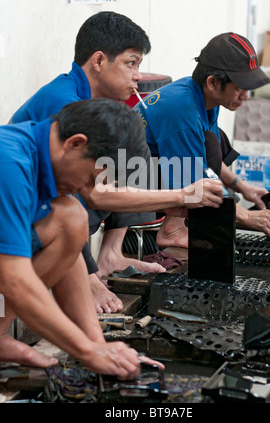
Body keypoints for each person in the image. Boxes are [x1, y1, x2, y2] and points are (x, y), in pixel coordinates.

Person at [0, 98, 223, 375]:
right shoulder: (10, 164)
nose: (89, 189)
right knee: (58, 228)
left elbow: (77, 241)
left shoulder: (51, 149)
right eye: (91, 178)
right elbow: (15, 281)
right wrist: (86, 351)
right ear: (75, 144)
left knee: (72, 216)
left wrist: (98, 343)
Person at [9, 11, 163, 314]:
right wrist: (183, 197)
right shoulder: (65, 101)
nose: (137, 76)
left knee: (134, 146)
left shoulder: (100, 104)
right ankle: (87, 273)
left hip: (56, 199)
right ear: (99, 61)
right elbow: (71, 192)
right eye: (131, 63)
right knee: (80, 194)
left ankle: (112, 253)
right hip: (32, 207)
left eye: (138, 66)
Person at [133, 32, 270, 248]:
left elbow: (204, 160)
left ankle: (186, 222)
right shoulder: (182, 110)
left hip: (158, 167)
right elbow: (194, 182)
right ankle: (173, 229)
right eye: (239, 88)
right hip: (126, 176)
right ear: (213, 82)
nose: (246, 97)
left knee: (214, 140)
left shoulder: (203, 97)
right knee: (202, 177)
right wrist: (246, 217)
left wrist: (242, 187)